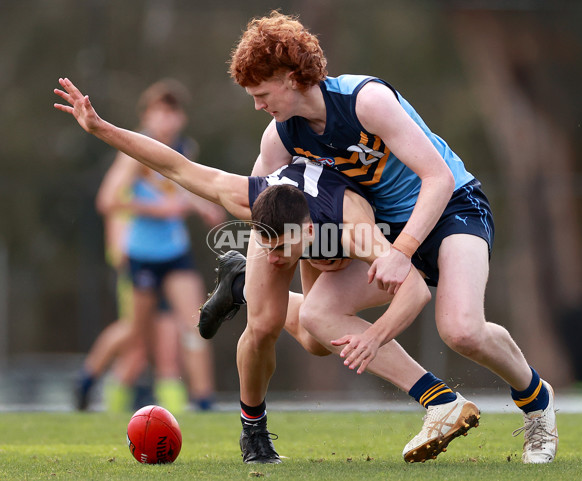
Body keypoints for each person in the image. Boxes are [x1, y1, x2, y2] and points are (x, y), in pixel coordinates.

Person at [54, 77, 482, 464]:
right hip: (284, 212)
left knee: (317, 341)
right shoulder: (249, 201)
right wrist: (100, 127)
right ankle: (253, 432)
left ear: (310, 230)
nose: (277, 258)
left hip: (330, 218)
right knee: (262, 327)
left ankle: (239, 284)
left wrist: (374, 336)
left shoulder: (353, 225)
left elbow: (415, 290)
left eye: (282, 249)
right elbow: (175, 166)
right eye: (267, 246)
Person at [212, 10, 556, 465]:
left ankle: (537, 401)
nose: (258, 104)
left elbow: (437, 178)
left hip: (452, 210)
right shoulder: (279, 138)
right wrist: (271, 254)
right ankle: (439, 402)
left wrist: (403, 252)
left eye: (261, 93)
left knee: (462, 330)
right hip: (386, 232)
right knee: (318, 321)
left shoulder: (365, 100)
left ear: (292, 77)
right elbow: (263, 204)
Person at [73, 79, 226, 412]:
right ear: (146, 116)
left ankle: (203, 402)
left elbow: (180, 187)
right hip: (141, 254)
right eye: (160, 112)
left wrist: (204, 207)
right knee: (134, 335)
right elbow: (107, 200)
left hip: (175, 253)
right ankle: (87, 379)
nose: (166, 120)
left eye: (173, 113)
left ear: (182, 118)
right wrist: (157, 210)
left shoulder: (186, 149)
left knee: (197, 322)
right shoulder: (134, 153)